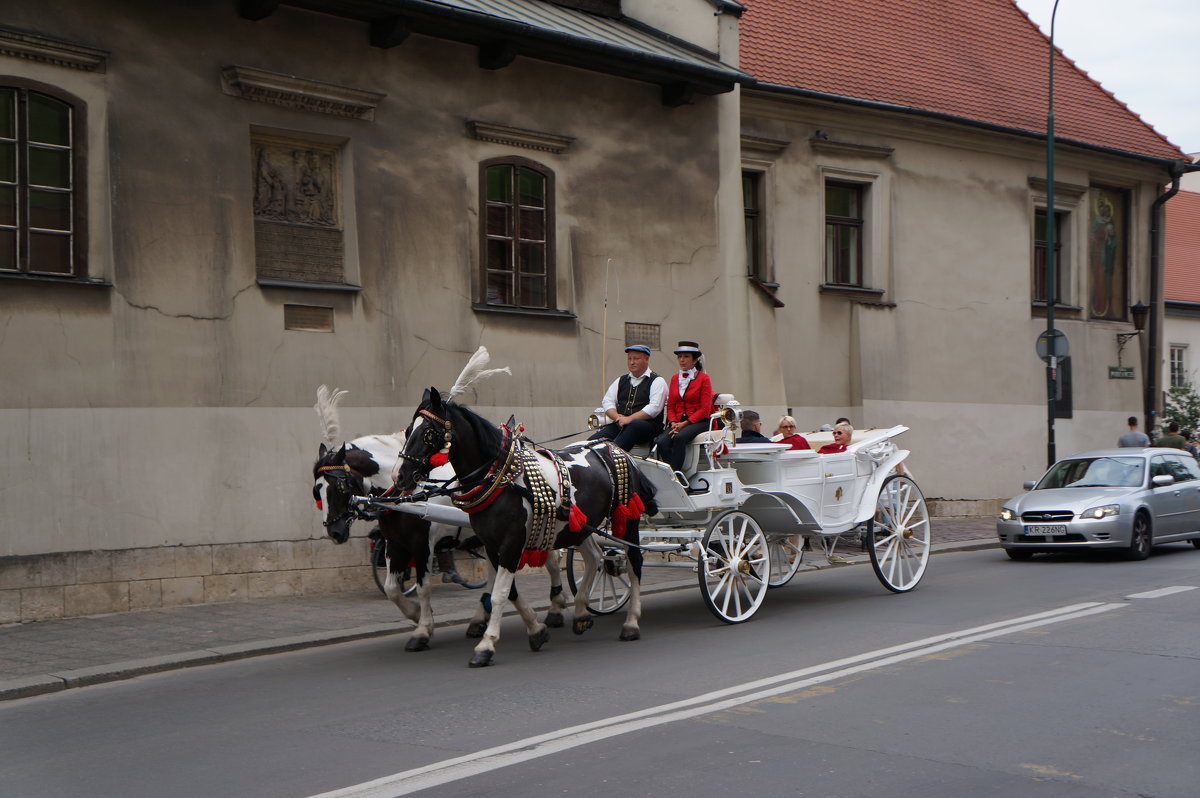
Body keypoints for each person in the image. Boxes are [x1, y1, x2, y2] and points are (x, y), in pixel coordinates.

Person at [654, 341, 715, 481]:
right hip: (678, 422)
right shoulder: (675, 378)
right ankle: (674, 473)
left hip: (699, 421)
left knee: (680, 438)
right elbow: (671, 405)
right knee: (661, 442)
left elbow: (705, 409)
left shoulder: (704, 378)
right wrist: (674, 421)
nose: (682, 360)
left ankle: (675, 476)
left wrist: (684, 424)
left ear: (694, 360)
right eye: (679, 356)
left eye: (686, 356)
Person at [588, 345, 667, 451]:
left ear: (646, 359)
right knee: (591, 443)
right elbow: (607, 401)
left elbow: (654, 408)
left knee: (635, 424)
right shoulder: (621, 380)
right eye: (629, 358)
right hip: (622, 424)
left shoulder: (657, 381)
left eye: (636, 358)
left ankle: (613, 455)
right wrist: (617, 417)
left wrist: (629, 419)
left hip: (648, 427)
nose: (632, 362)